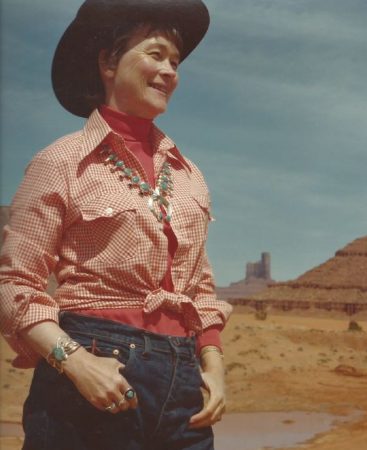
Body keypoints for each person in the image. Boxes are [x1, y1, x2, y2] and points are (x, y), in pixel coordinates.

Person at [0, 1, 232, 449]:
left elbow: (199, 288)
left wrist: (214, 367)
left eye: (176, 62)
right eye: (156, 54)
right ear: (108, 61)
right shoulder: (60, 162)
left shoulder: (190, 176)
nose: (170, 72)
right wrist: (78, 364)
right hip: (90, 377)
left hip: (183, 388)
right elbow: (14, 285)